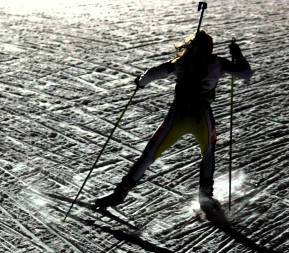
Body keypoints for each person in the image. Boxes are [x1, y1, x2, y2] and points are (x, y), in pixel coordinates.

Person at [94, 30, 252, 209]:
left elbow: (154, 73)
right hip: (202, 115)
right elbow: (246, 74)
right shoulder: (218, 63)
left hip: (178, 114)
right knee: (208, 153)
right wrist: (237, 55)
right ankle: (205, 195)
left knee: (150, 154)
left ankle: (120, 193)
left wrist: (141, 82)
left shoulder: (182, 62)